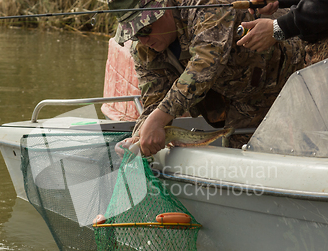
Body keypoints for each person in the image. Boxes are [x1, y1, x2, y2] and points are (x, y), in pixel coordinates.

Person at [109, 0, 305, 156]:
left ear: (165, 8)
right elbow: (154, 102)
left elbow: (206, 63)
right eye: (134, 35)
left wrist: (159, 118)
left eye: (144, 28)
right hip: (245, 103)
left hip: (297, 77)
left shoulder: (206, 5)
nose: (143, 40)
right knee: (241, 164)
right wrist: (138, 137)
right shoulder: (144, 50)